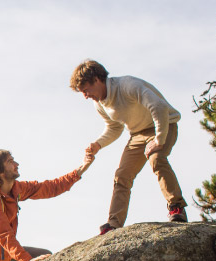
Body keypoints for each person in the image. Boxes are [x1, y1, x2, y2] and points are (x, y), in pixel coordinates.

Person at [70, 59, 188, 235]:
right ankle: (114, 224)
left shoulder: (127, 85)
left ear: (97, 79)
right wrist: (98, 144)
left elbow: (159, 107)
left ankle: (176, 207)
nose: (85, 96)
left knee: (157, 158)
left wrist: (159, 139)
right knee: (122, 175)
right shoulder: (100, 104)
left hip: (164, 124)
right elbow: (114, 127)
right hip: (137, 135)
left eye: (86, 90)